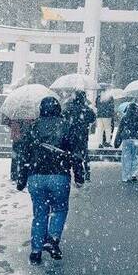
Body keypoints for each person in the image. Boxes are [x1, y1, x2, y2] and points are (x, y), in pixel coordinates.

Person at [15, 96, 84, 265]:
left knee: (40, 213)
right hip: (59, 174)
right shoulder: (67, 126)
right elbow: (76, 153)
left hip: (36, 175)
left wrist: (21, 178)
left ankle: (36, 251)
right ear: (58, 109)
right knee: (59, 209)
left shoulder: (32, 128)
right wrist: (79, 175)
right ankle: (52, 240)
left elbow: (24, 154)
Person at [63, 91, 96, 181]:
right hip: (82, 134)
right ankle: (87, 172)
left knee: (70, 153)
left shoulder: (68, 108)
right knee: (84, 153)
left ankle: (68, 171)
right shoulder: (86, 109)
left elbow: (63, 118)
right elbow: (93, 118)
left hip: (71, 135)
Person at [115, 102, 138, 182]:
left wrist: (117, 142)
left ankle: (125, 176)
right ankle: (133, 174)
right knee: (135, 157)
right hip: (136, 139)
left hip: (126, 139)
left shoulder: (124, 118)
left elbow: (120, 130)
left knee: (126, 158)